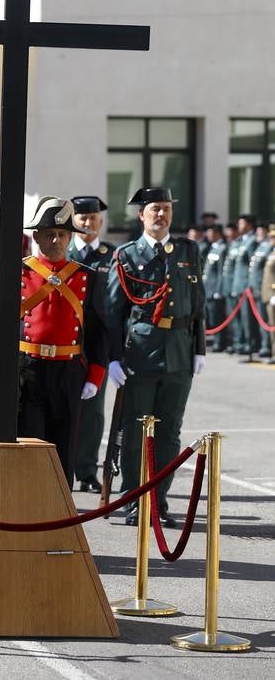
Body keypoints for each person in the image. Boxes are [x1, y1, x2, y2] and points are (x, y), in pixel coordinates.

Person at [106, 187, 206, 528]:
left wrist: (199, 349)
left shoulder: (188, 251)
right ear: (141, 215)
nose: (160, 215)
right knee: (136, 431)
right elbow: (112, 313)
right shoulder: (127, 255)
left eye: (165, 209)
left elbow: (198, 303)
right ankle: (134, 499)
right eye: (154, 210)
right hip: (141, 353)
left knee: (169, 432)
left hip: (179, 352)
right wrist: (113, 358)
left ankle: (158, 500)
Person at [19, 196, 108, 488]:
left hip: (69, 371)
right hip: (29, 369)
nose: (55, 240)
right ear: (37, 237)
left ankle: (59, 508)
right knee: (29, 441)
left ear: (70, 237)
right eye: (49, 234)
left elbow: (98, 331)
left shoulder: (87, 277)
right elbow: (4, 320)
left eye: (61, 234)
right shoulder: (19, 272)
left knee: (65, 444)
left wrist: (95, 374)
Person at [66, 196, 115, 494]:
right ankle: (64, 467)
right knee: (66, 408)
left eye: (93, 218)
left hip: (99, 342)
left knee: (94, 411)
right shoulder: (64, 252)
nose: (88, 223)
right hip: (68, 340)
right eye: (83, 218)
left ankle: (86, 470)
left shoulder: (111, 255)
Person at [233, 213, 260, 362]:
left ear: (249, 224)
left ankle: (251, 346)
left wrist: (250, 285)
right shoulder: (242, 241)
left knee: (247, 319)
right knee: (240, 318)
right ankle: (243, 343)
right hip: (238, 285)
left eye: (241, 223)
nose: (239, 226)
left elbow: (252, 267)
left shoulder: (252, 241)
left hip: (246, 287)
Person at [249, 226, 274, 360]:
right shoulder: (264, 249)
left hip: (269, 291)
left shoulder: (270, 250)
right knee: (263, 321)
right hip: (261, 290)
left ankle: (268, 348)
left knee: (268, 322)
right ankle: (264, 346)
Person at [202, 223, 227, 353]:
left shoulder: (222, 248)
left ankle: (219, 342)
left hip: (214, 290)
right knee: (210, 317)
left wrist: (218, 290)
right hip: (207, 288)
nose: (208, 235)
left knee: (217, 317)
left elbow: (221, 272)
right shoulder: (213, 248)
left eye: (211, 232)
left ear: (217, 233)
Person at [222, 221, 243, 355]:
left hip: (238, 286)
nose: (228, 235)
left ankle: (241, 343)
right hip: (229, 286)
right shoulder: (231, 245)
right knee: (231, 317)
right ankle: (235, 342)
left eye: (231, 232)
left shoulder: (241, 244)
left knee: (241, 318)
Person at [261, 225, 275, 365]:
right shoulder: (271, 252)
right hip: (268, 294)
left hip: (273, 294)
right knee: (271, 325)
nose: (271, 239)